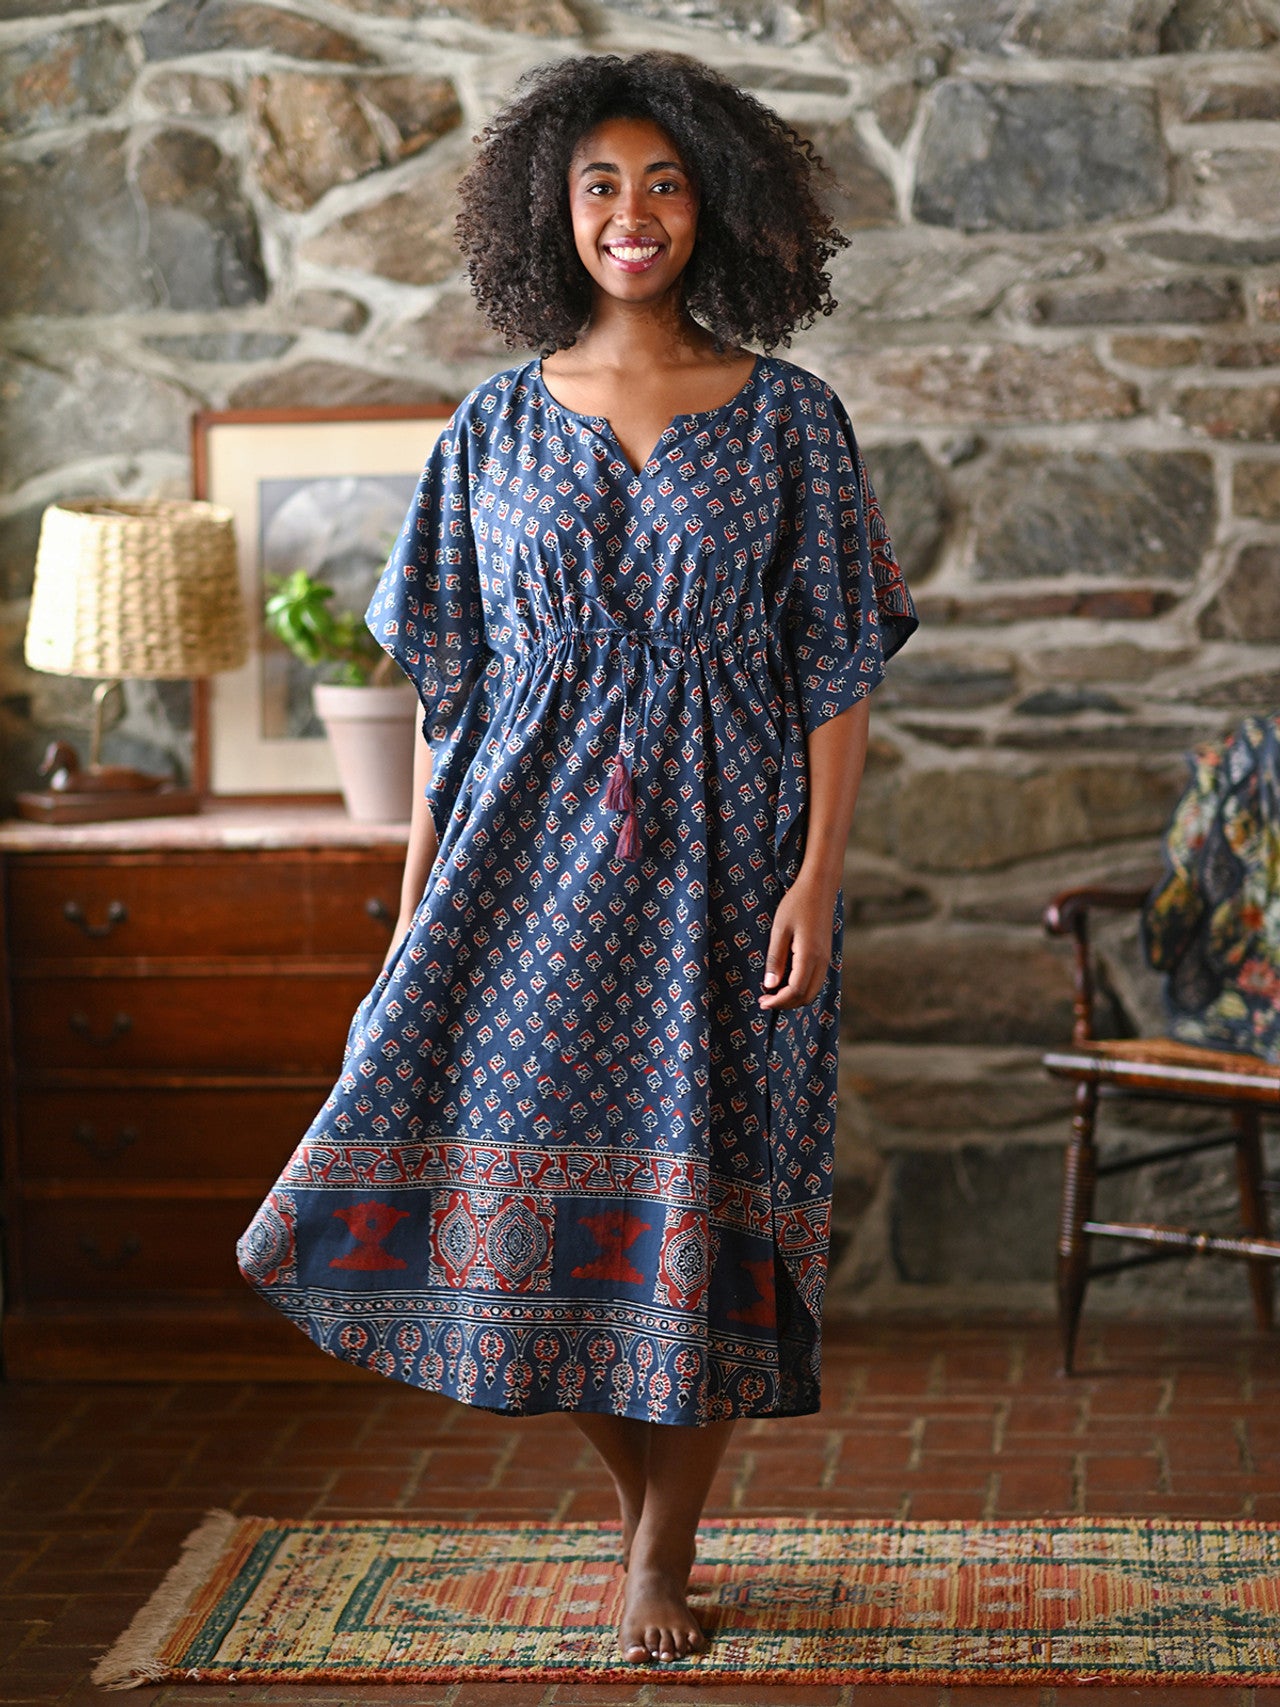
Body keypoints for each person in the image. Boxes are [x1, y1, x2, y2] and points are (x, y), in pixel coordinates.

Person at [238, 49, 917, 1667]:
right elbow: (448, 690)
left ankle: (661, 1553)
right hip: (517, 876)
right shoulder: (488, 427)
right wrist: (413, 908)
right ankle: (644, 1514)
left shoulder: (791, 421)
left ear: (719, 204)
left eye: (665, 183)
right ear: (555, 209)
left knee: (706, 1207)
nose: (634, 214)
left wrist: (818, 877)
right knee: (490, 1193)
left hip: (726, 864)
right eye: (601, 185)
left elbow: (836, 666)